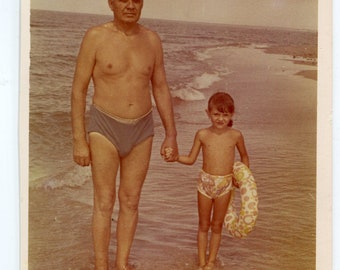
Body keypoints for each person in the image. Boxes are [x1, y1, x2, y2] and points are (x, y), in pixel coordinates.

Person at [71, 0, 178, 269]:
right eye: (123, 0)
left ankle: (121, 264)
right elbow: (78, 89)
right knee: (104, 201)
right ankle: (100, 265)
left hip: (142, 128)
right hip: (104, 126)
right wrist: (79, 139)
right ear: (110, 3)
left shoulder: (152, 40)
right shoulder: (95, 37)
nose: (130, 5)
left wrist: (171, 134)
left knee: (130, 200)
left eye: (137, 0)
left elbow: (161, 87)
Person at [175, 92, 249, 270]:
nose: (220, 119)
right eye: (216, 114)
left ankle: (210, 262)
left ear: (232, 115)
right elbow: (191, 159)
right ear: (207, 113)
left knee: (217, 226)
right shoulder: (202, 134)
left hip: (225, 185)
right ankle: (201, 263)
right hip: (205, 184)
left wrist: (242, 178)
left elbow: (244, 157)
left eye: (225, 115)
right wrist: (176, 157)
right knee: (203, 224)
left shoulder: (236, 135)